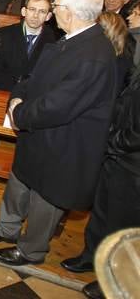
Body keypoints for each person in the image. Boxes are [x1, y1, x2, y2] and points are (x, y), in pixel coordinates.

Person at [0, 0, 117, 267]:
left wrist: (20, 113)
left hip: (62, 142)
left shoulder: (94, 54)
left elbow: (59, 105)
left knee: (45, 198)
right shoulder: (70, 40)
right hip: (39, 134)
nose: (52, 14)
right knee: (20, 182)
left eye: (57, 7)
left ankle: (31, 250)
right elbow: (34, 78)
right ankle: (7, 229)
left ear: (72, 12)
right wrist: (17, 98)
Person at [60, 68, 140, 299]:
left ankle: (115, 278)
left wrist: (110, 142)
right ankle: (91, 257)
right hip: (117, 158)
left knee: (122, 225)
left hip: (132, 165)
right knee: (102, 213)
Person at [0, 0, 55, 91]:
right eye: (32, 9)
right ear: (23, 11)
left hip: (33, 95)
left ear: (48, 16)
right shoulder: (2, 34)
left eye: (42, 11)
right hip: (2, 91)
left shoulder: (55, 42)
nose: (36, 15)